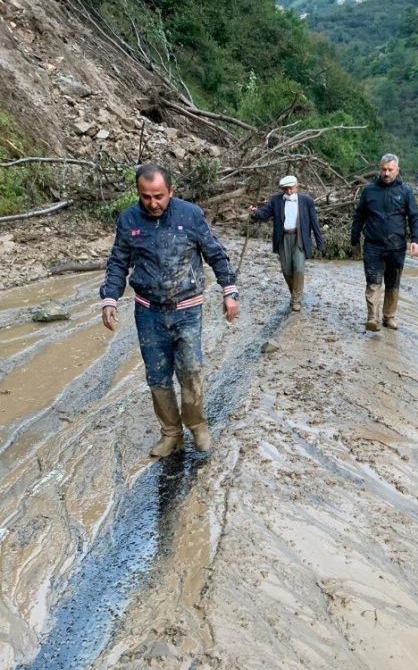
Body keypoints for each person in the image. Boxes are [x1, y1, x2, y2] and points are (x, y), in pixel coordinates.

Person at [100, 163, 240, 458]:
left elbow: (215, 252)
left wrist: (229, 290)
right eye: (146, 196)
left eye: (159, 196)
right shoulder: (129, 220)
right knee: (157, 375)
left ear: (171, 191)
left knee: (190, 370)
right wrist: (110, 298)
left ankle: (197, 425)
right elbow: (118, 261)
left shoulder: (190, 215)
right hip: (148, 312)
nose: (153, 203)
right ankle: (171, 433)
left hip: (187, 309)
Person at [350, 153, 418, 331]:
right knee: (373, 281)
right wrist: (354, 241)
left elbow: (414, 217)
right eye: (383, 169)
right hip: (373, 245)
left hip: (396, 247)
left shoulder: (405, 191)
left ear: (397, 170)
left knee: (393, 283)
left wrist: (416, 240)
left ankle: (389, 317)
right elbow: (359, 217)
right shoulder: (369, 190)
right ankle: (372, 317)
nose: (386, 173)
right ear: (379, 170)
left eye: (390, 170)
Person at [250, 174, 324, 312]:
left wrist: (320, 242)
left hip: (299, 238)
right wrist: (255, 213)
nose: (289, 192)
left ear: (297, 186)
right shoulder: (276, 200)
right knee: (286, 270)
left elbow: (314, 222)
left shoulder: (306, 201)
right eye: (285, 189)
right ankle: (295, 293)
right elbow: (264, 213)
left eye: (291, 188)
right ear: (282, 189)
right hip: (283, 238)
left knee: (299, 268)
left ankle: (296, 300)